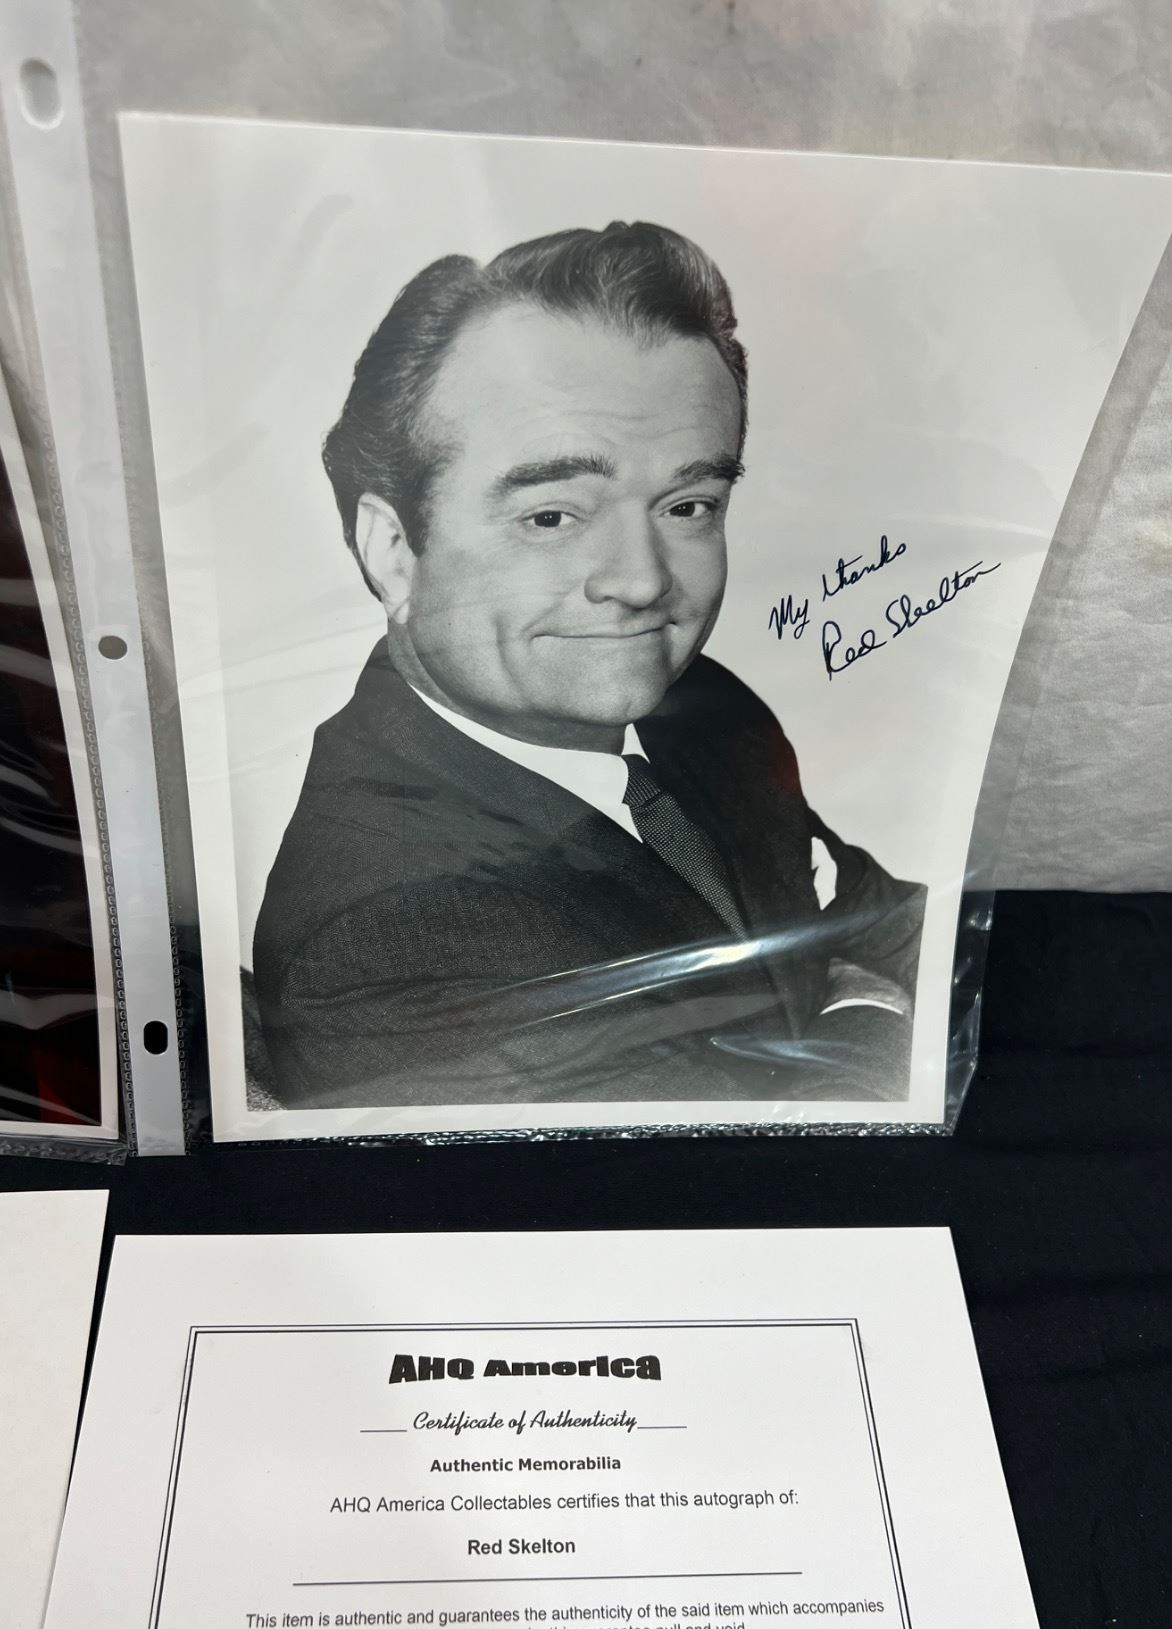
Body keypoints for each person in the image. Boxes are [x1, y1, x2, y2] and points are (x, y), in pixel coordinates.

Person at [252, 221, 925, 1109]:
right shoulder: (387, 939)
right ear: (393, 551)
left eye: (688, 505)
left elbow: (883, 918)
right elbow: (773, 1165)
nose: (642, 582)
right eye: (552, 517)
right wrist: (872, 1006)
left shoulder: (701, 708)